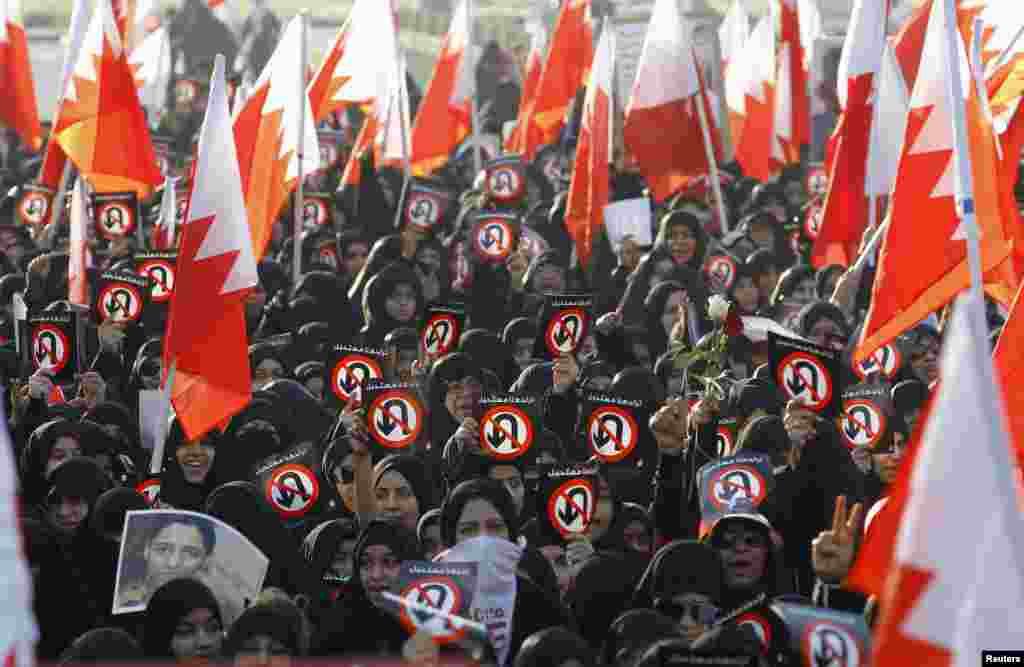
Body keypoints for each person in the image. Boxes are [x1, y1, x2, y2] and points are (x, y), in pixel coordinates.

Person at [116, 513, 216, 611]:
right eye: (163, 549)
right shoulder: (119, 599)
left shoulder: (206, 610)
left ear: (205, 561)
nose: (173, 563)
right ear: (146, 549)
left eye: (190, 553)